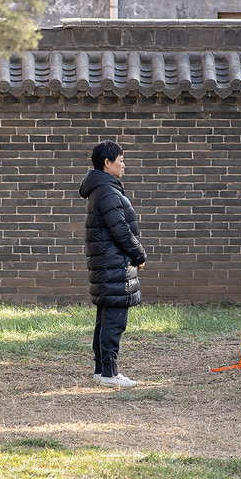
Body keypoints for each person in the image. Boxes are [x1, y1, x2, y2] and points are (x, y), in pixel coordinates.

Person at [79, 140, 146, 388]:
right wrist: (139, 254)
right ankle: (109, 373)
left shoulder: (103, 188)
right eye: (120, 161)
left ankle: (102, 370)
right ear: (107, 163)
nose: (123, 165)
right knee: (114, 320)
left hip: (109, 265)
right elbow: (121, 230)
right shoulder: (107, 191)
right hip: (113, 265)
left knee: (106, 318)